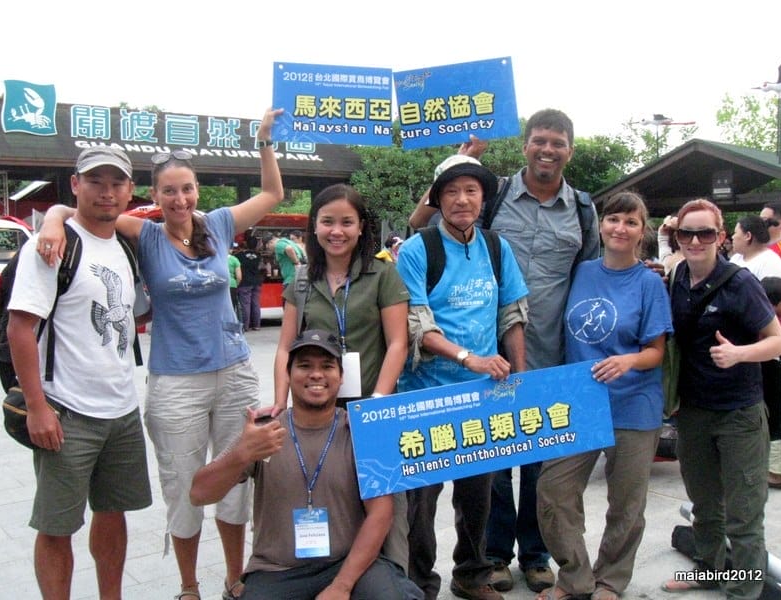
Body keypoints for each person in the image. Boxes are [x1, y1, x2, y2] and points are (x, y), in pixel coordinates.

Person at [38, 108, 285, 600]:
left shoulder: (217, 224)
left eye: (187, 188)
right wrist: (50, 219)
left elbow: (273, 194)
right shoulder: (146, 233)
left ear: (198, 191)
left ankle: (236, 579)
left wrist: (263, 142)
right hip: (176, 382)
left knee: (237, 477)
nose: (180, 198)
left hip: (235, 370)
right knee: (184, 485)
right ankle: (188, 585)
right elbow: (82, 211)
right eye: (169, 190)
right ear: (154, 195)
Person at [409, 108, 599, 594]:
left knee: (518, 468)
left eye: (557, 143)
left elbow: (570, 284)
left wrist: (525, 371)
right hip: (454, 375)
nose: (547, 149)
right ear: (525, 146)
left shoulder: (575, 211)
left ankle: (514, 561)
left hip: (535, 357)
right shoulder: (449, 228)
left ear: (568, 151)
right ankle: (449, 571)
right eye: (539, 140)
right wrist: (459, 162)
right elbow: (421, 236)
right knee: (446, 488)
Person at [7, 146, 152, 599]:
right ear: (76, 184)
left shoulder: (125, 245)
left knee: (113, 515)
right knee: (57, 526)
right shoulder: (51, 245)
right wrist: (37, 408)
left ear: (129, 190)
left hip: (122, 409)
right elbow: (20, 328)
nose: (106, 193)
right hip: (67, 411)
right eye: (95, 182)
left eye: (116, 183)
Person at [190, 329, 424, 600]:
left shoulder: (359, 432)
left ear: (341, 377)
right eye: (304, 366)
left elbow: (381, 515)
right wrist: (241, 453)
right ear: (288, 374)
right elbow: (198, 495)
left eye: (327, 366)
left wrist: (342, 586)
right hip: (277, 569)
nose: (316, 375)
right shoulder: (264, 433)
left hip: (351, 562)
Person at [397, 155, 529, 600]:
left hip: (483, 397)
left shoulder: (496, 247)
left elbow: (511, 315)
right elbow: (418, 324)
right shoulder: (419, 250)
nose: (461, 199)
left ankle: (472, 575)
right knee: (420, 501)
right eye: (451, 192)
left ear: (483, 199)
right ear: (436, 200)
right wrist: (468, 357)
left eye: (471, 190)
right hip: (425, 396)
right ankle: (418, 583)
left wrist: (521, 377)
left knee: (478, 497)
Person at [536, 192, 673, 600]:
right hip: (578, 402)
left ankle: (611, 579)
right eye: (613, 219)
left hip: (634, 404)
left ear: (641, 232)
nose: (620, 228)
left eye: (631, 222)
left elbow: (657, 352)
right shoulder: (581, 272)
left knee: (626, 504)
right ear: (601, 224)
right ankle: (575, 577)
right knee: (553, 491)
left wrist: (628, 361)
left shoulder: (649, 283)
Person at [272, 183, 410, 569]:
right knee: (323, 495)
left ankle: (392, 581)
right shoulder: (301, 279)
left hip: (373, 409)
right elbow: (285, 346)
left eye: (347, 222)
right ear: (314, 227)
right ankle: (326, 577)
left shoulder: (383, 274)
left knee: (387, 504)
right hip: (319, 413)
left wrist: (379, 401)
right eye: (328, 221)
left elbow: (398, 342)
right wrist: (280, 403)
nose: (337, 231)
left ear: (362, 227)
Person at [660, 199, 781, 598]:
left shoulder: (741, 283)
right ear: (678, 237)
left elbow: (777, 340)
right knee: (704, 505)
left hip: (739, 414)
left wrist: (739, 354)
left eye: (705, 233)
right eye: (687, 233)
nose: (696, 240)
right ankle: (709, 570)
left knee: (744, 515)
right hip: (694, 411)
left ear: (721, 236)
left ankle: (743, 590)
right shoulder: (678, 275)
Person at [761, 276, 781, 490]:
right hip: (772, 375)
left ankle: (776, 470)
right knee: (777, 422)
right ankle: (775, 471)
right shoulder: (770, 324)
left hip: (772, 375)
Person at [729, 214, 781, 279]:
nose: (732, 237)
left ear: (748, 236)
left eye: (735, 233)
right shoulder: (735, 258)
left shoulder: (770, 262)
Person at [235, 233, 264, 331]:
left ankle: (245, 326)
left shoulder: (239, 255)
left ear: (245, 243)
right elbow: (262, 268)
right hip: (257, 281)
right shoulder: (259, 255)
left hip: (245, 282)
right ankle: (256, 325)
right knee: (256, 303)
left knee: (245, 304)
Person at [228, 244, 242, 318]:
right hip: (232, 285)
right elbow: (239, 277)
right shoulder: (234, 259)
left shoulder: (218, 258)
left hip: (221, 285)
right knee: (232, 306)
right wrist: (236, 284)